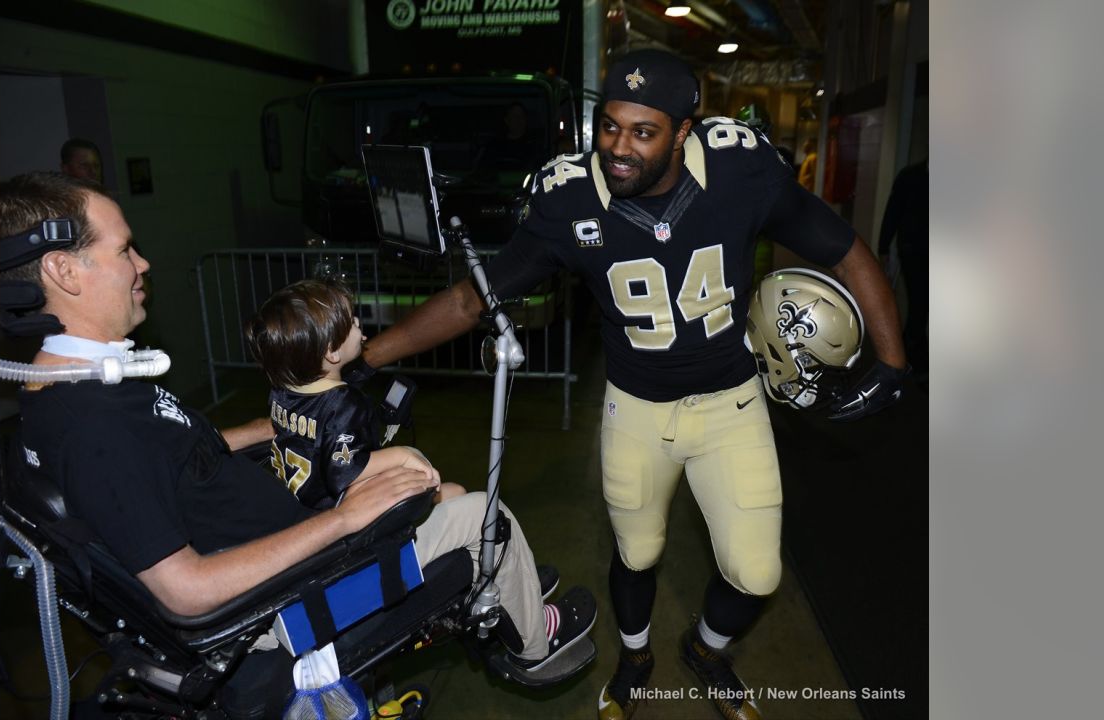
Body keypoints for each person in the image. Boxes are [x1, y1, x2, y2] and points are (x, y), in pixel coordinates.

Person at [346, 49, 909, 720]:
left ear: (684, 131)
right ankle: (636, 653)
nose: (619, 147)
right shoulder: (569, 198)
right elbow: (474, 300)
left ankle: (706, 650)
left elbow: (843, 247)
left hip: (731, 403)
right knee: (637, 554)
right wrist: (369, 356)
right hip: (636, 408)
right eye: (609, 126)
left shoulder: (739, 170)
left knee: (757, 573)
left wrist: (893, 364)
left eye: (643, 132)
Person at [1, 172, 596, 718]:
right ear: (64, 271)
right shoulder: (95, 427)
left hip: (283, 541)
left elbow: (178, 455)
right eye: (123, 248)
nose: (142, 262)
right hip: (288, 599)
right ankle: (536, 648)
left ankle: (506, 580)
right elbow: (186, 592)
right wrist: (345, 521)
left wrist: (274, 429)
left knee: (422, 478)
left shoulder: (66, 390)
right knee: (482, 514)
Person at [247, 278, 466, 510]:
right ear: (331, 352)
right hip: (337, 513)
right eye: (351, 322)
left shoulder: (281, 391)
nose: (358, 322)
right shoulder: (344, 404)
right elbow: (344, 471)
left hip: (299, 505)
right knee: (455, 492)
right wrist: (402, 455)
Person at [877, 159, 928, 379]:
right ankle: (913, 361)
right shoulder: (910, 175)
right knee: (920, 304)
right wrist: (884, 246)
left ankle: (912, 354)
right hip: (914, 250)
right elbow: (893, 211)